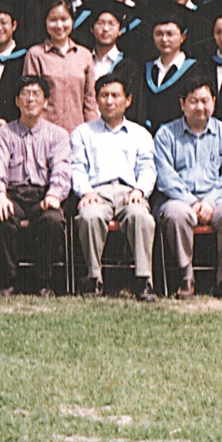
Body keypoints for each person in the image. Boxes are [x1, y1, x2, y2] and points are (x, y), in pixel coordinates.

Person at [152, 74, 222, 299]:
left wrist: (210, 202)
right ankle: (186, 277)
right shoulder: (166, 134)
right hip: (178, 199)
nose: (200, 107)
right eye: (193, 101)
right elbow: (165, 176)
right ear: (182, 104)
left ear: (214, 102)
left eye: (205, 101)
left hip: (219, 198)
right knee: (176, 214)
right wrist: (192, 201)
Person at [68, 74, 158, 300]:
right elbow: (77, 167)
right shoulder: (83, 133)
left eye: (115, 96)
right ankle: (94, 279)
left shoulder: (140, 134)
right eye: (104, 96)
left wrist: (140, 190)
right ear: (96, 100)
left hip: (130, 192)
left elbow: (147, 168)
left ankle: (144, 280)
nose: (109, 101)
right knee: (89, 216)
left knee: (141, 217)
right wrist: (86, 191)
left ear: (128, 100)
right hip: (97, 193)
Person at [0, 75, 72, 296]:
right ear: (17, 101)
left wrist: (54, 195)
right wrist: (0, 195)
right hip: (13, 194)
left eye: (36, 94)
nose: (30, 99)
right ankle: (8, 281)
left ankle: (43, 282)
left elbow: (61, 168)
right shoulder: (4, 133)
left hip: (42, 195)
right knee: (1, 216)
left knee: (53, 219)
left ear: (45, 102)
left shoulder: (58, 135)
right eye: (25, 94)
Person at [23, 0, 98, 134]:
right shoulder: (36, 55)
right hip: (45, 134)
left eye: (64, 19)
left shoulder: (84, 55)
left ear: (72, 21)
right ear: (45, 22)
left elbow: (90, 101)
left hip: (77, 134)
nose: (59, 25)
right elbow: (30, 98)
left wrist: (92, 134)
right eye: (53, 20)